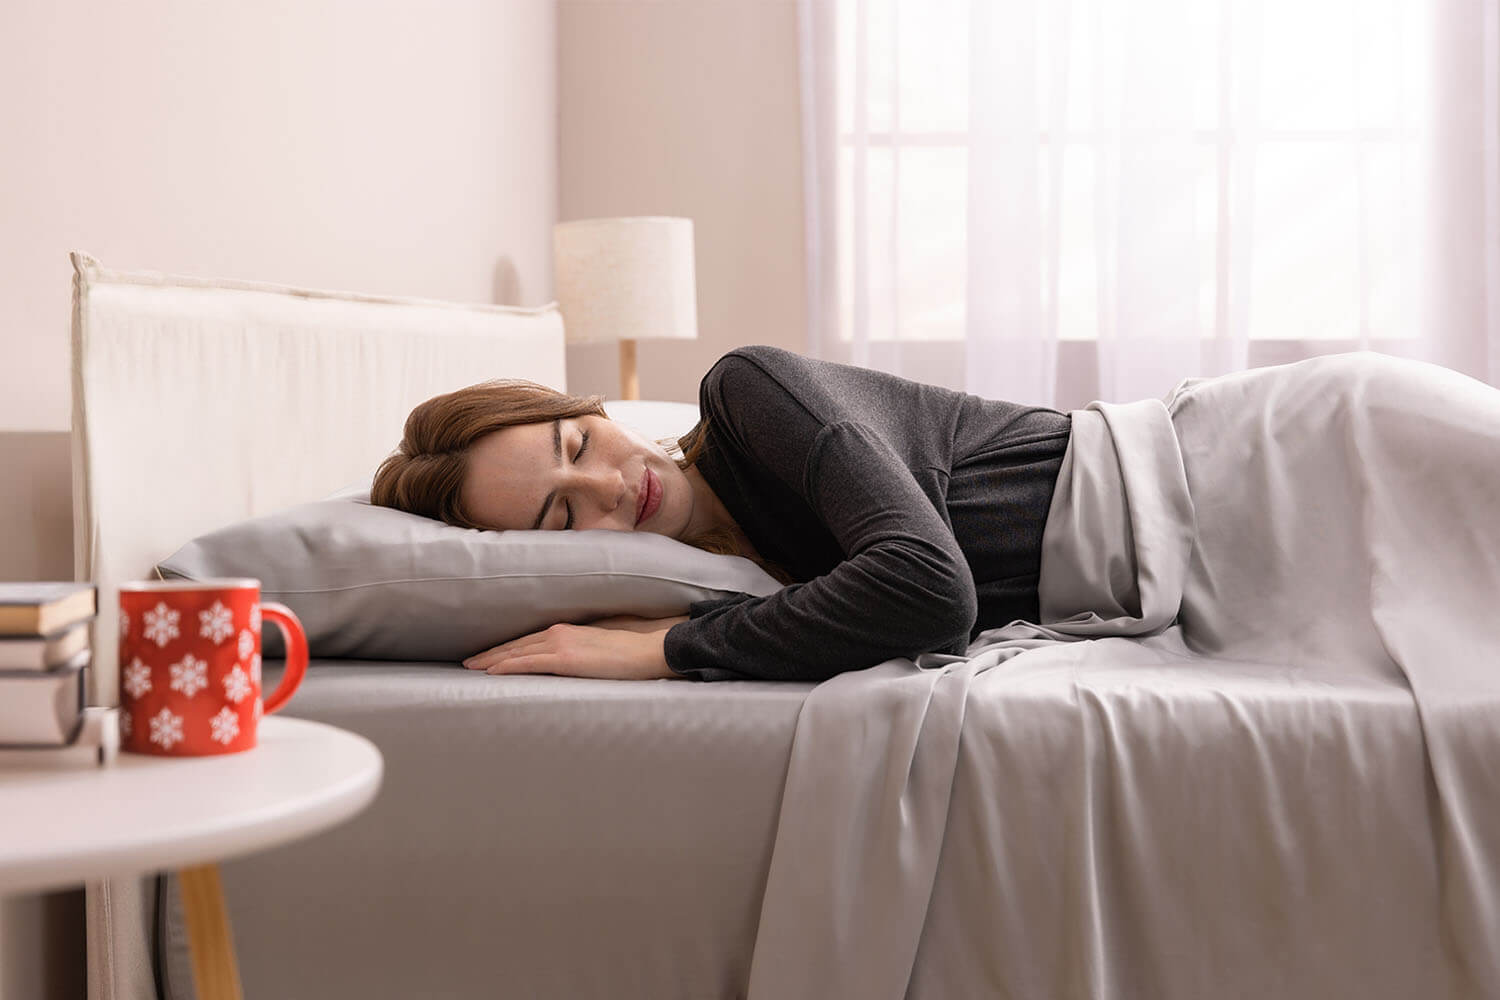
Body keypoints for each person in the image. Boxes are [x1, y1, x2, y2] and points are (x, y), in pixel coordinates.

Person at [370, 344, 1072, 682]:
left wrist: (666, 647)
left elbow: (931, 592)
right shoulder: (712, 575)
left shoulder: (750, 394)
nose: (609, 488)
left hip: (1169, 478)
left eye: (580, 444)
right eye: (562, 517)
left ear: (590, 408)